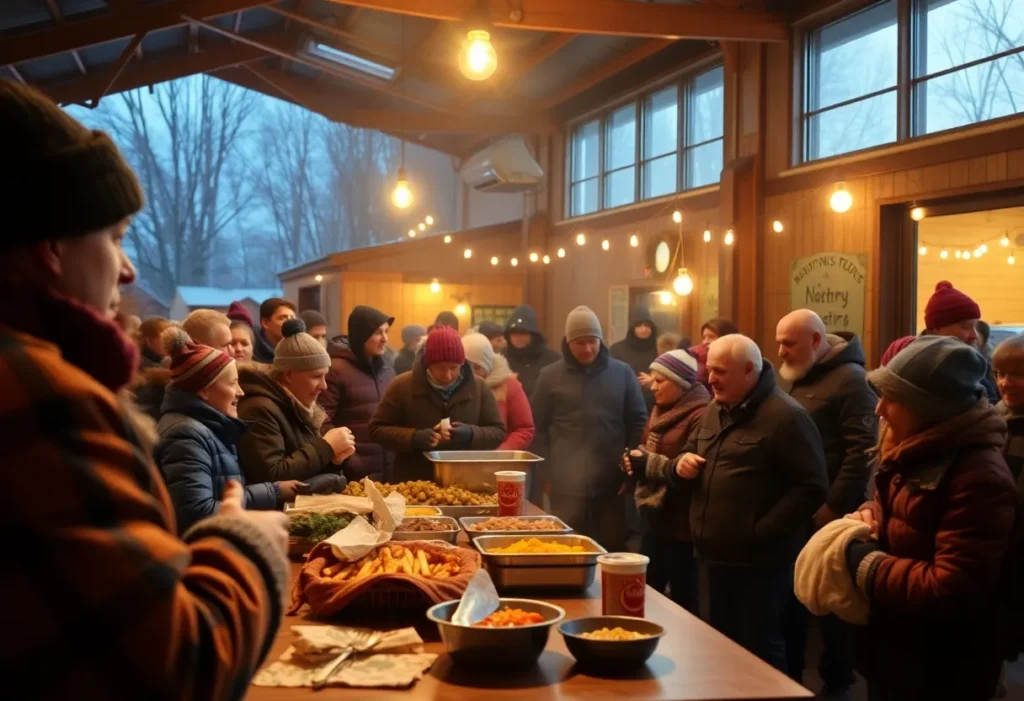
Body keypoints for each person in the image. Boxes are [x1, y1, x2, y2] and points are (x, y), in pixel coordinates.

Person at [0, 79, 287, 697]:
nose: (127, 270)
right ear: (51, 242)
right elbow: (178, 664)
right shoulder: (40, 397)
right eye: (116, 237)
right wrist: (243, 545)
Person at [844, 336, 1016, 700]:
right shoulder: (916, 451)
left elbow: (951, 587)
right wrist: (870, 513)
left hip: (942, 667)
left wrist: (867, 565)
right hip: (900, 651)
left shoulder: (978, 477)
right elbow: (906, 515)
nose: (879, 410)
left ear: (927, 409)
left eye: (892, 399)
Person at [668, 335, 828, 671]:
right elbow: (692, 449)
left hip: (761, 562)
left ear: (749, 371)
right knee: (717, 647)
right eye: (709, 370)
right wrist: (683, 460)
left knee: (759, 651)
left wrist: (761, 531)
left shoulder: (787, 417)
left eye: (721, 372)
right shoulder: (714, 408)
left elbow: (811, 488)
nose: (710, 379)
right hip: (713, 555)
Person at [775, 310, 878, 697]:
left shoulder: (851, 381)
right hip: (797, 508)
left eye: (789, 343)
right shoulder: (795, 377)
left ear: (817, 341)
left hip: (830, 514)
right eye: (780, 341)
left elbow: (862, 452)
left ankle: (838, 685)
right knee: (796, 600)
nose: (780, 351)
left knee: (832, 604)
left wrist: (834, 505)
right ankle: (791, 681)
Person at [155, 328, 304, 532]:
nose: (240, 392)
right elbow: (197, 513)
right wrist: (272, 492)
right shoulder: (186, 435)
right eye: (233, 384)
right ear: (205, 390)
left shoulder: (210, 426)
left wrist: (274, 490)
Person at [531, 306, 648, 552]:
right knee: (566, 547)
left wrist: (630, 469)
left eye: (592, 342)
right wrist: (545, 473)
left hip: (612, 481)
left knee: (613, 547)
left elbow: (637, 421)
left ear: (600, 340)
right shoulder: (550, 376)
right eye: (580, 343)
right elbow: (538, 428)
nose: (587, 349)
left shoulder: (622, 373)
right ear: (568, 343)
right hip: (565, 483)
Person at [622, 350, 709, 613]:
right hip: (655, 518)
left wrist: (646, 462)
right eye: (653, 379)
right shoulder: (660, 409)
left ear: (680, 383)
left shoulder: (701, 414)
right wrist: (633, 461)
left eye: (661, 380)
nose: (653, 386)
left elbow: (691, 467)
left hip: (681, 526)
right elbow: (652, 452)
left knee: (684, 601)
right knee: (649, 596)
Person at [369, 326, 506, 482]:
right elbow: (377, 429)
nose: (448, 375)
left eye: (454, 367)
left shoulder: (479, 387)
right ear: (428, 364)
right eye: (441, 368)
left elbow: (498, 432)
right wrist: (414, 437)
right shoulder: (402, 385)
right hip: (413, 482)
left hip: (464, 481)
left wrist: (471, 434)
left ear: (462, 363)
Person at [238, 319, 355, 492]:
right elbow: (271, 475)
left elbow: (303, 468)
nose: (324, 386)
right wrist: (326, 447)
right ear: (288, 375)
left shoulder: (299, 405)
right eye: (316, 376)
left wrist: (332, 459)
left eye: (325, 376)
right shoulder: (259, 409)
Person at [880, 281, 998, 401]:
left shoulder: (977, 364)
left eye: (975, 327)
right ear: (937, 328)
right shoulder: (916, 363)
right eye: (965, 327)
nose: (975, 336)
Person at [319, 306, 396, 482]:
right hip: (353, 472)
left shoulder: (387, 369)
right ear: (361, 335)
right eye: (378, 332)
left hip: (387, 469)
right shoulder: (336, 370)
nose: (385, 339)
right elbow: (322, 420)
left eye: (386, 332)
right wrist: (349, 459)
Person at [463, 332, 535, 451]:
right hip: (464, 461)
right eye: (466, 367)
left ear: (487, 364)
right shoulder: (457, 386)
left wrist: (501, 452)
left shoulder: (509, 385)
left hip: (499, 462)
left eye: (476, 367)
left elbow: (524, 428)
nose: (471, 373)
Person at [504, 304, 561, 400]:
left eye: (523, 333)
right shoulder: (502, 359)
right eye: (514, 333)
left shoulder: (553, 360)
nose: (518, 338)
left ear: (533, 335)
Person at [610, 304, 660, 411]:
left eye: (647, 325)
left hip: (657, 408)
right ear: (632, 327)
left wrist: (654, 381)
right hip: (625, 408)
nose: (643, 329)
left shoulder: (660, 349)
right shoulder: (617, 350)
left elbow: (672, 379)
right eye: (639, 325)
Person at [253, 297, 296, 363]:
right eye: (283, 318)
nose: (290, 322)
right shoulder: (252, 353)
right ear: (265, 323)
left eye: (292, 318)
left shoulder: (299, 350)